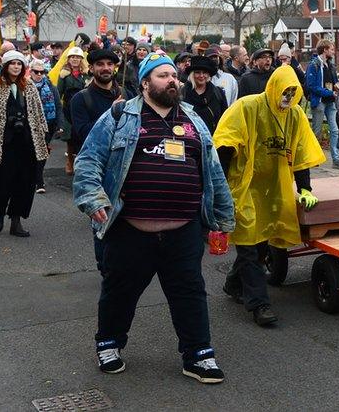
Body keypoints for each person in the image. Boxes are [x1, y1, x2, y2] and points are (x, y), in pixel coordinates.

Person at [72, 52, 235, 383]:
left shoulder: (193, 121)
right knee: (119, 291)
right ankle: (109, 343)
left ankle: (198, 355)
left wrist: (222, 217)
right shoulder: (119, 116)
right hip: (131, 230)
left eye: (174, 75)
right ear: (145, 83)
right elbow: (88, 159)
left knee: (190, 292)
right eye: (162, 75)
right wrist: (92, 197)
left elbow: (213, 171)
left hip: (183, 230)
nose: (172, 80)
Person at [214, 65, 326, 326]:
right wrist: (219, 187)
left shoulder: (295, 115)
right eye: (284, 91)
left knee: (261, 243)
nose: (287, 97)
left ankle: (233, 284)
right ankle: (259, 305)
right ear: (274, 87)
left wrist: (305, 187)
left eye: (293, 92)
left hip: (274, 189)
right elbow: (225, 144)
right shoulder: (248, 107)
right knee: (249, 248)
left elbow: (300, 154)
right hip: (244, 187)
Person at [0, 51, 49, 237]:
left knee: (25, 183)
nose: (16, 66)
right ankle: (0, 213)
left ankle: (16, 220)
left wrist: (44, 131)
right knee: (4, 181)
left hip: (27, 140)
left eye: (19, 63)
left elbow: (38, 111)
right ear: (6, 66)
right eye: (12, 63)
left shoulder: (30, 86)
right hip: (5, 142)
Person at [69, 49, 123, 155]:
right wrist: (111, 114)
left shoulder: (126, 94)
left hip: (121, 159)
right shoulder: (80, 99)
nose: (106, 68)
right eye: (100, 64)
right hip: (93, 160)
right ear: (91, 68)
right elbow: (83, 133)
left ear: (115, 67)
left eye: (110, 64)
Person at [306, 40, 339, 168]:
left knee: (335, 130)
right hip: (320, 102)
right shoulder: (314, 65)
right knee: (317, 131)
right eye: (331, 49)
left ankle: (336, 159)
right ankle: (313, 157)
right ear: (325, 50)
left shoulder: (330, 66)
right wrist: (328, 92)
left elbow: (335, 82)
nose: (333, 52)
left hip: (331, 103)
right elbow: (311, 86)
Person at [56, 47, 90, 175]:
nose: (75, 59)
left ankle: (81, 162)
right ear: (68, 59)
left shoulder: (86, 74)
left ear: (82, 59)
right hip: (69, 108)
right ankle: (70, 160)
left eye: (78, 57)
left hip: (84, 107)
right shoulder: (63, 74)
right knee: (70, 137)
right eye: (72, 57)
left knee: (83, 135)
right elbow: (59, 92)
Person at [30, 59, 60, 194]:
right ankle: (37, 179)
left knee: (43, 152)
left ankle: (38, 179)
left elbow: (58, 105)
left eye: (42, 72)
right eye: (36, 72)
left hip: (48, 123)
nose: (39, 74)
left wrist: (59, 124)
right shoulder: (24, 86)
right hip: (30, 124)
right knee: (32, 152)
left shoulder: (50, 86)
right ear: (30, 72)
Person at [183, 55, 227, 136]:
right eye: (198, 72)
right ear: (192, 74)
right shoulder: (182, 94)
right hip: (190, 141)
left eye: (205, 72)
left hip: (214, 140)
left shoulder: (218, 93)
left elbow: (225, 120)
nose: (201, 76)